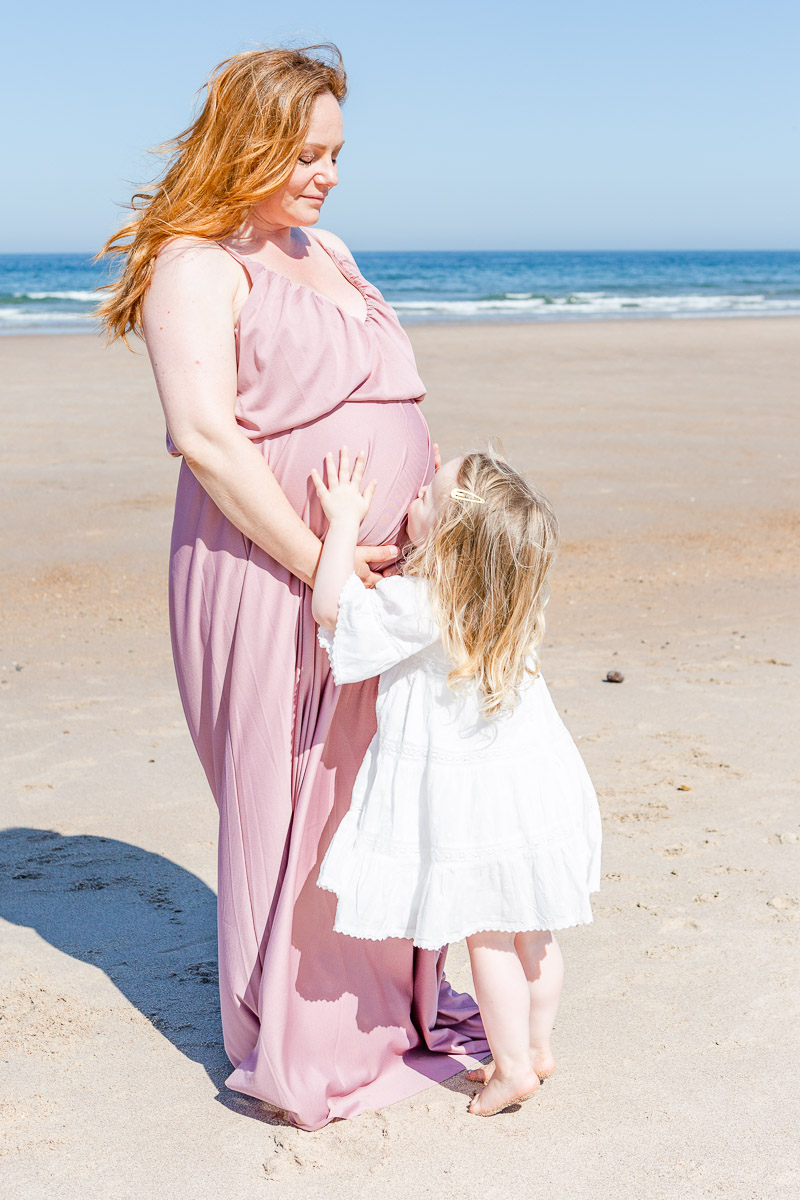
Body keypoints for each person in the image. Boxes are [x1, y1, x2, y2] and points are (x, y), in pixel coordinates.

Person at [97, 44, 487, 1130]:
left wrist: (434, 522)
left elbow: (395, 398)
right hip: (266, 567)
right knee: (292, 795)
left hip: (376, 559)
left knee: (379, 788)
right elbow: (208, 442)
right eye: (304, 154)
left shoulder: (329, 246)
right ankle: (309, 1029)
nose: (324, 174)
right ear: (248, 142)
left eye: (334, 154)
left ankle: (384, 1005)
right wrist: (319, 558)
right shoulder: (196, 263)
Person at [310, 446, 602, 1116]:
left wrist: (344, 522)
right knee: (535, 928)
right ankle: (537, 1044)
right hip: (529, 786)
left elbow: (334, 609)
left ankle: (510, 1069)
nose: (412, 497)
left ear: (445, 537)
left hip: (471, 799)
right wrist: (451, 493)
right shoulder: (509, 589)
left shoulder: (426, 600)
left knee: (487, 932)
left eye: (425, 498)